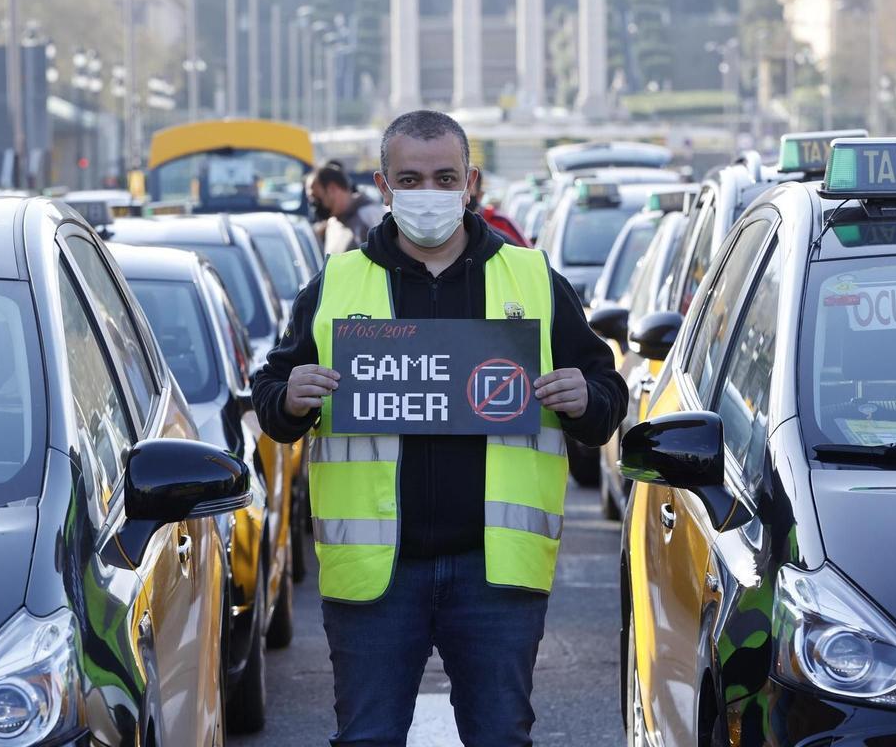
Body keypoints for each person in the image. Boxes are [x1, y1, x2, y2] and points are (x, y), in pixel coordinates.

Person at [252, 110, 628, 746]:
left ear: (471, 182)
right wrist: (288, 399)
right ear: (384, 185)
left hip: (494, 573)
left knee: (500, 737)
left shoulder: (532, 280)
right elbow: (271, 398)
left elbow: (607, 396)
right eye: (411, 179)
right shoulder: (336, 286)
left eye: (444, 177)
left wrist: (584, 396)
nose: (429, 193)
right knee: (367, 737)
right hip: (376, 576)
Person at [307, 163, 385, 254]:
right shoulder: (332, 222)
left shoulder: (369, 215)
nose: (314, 204)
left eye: (315, 196)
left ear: (332, 189)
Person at [469, 168, 531, 247]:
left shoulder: (502, 222)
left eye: (469, 191)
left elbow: (525, 253)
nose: (465, 199)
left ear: (480, 195)